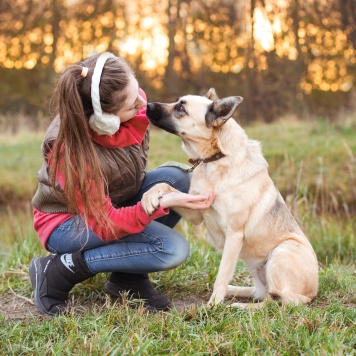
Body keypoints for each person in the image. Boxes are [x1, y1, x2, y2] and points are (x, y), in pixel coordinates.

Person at [29, 52, 215, 316]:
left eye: (135, 87)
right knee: (171, 249)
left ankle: (128, 278)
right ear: (104, 119)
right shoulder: (69, 150)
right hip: (67, 222)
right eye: (130, 105)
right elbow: (106, 223)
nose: (142, 102)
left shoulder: (129, 100)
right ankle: (60, 269)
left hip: (111, 201)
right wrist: (160, 203)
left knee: (179, 178)